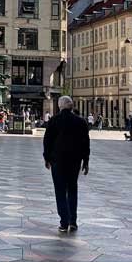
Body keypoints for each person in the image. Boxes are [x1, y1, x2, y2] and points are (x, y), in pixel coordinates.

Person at [42, 96, 89, 234]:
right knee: (72, 189)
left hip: (58, 160)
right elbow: (85, 143)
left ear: (60, 106)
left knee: (60, 191)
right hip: (75, 161)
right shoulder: (81, 122)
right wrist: (85, 161)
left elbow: (47, 140)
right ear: (72, 106)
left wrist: (47, 157)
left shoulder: (54, 120)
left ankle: (64, 222)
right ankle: (73, 221)